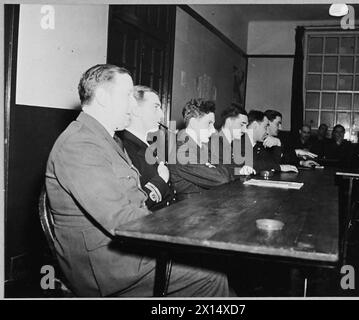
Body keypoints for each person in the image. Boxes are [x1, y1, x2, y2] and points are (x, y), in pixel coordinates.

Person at [45, 64, 229, 297]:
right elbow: (122, 219)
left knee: (207, 262)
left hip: (123, 251)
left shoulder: (104, 139)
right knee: (210, 278)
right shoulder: (80, 144)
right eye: (128, 96)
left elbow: (136, 199)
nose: (133, 105)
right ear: (102, 97)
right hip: (106, 267)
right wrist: (177, 233)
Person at [118, 85, 176, 211]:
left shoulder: (150, 143)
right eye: (156, 107)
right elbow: (132, 206)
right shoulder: (123, 148)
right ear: (136, 110)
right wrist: (161, 179)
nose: (161, 115)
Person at [169, 99, 233, 200]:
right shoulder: (183, 152)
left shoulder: (200, 147)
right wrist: (217, 168)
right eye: (209, 123)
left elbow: (228, 171)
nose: (213, 130)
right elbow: (222, 179)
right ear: (193, 123)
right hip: (191, 211)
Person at [210, 104, 256, 176]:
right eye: (241, 125)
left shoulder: (240, 142)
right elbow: (220, 171)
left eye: (246, 126)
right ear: (229, 122)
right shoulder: (213, 141)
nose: (244, 130)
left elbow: (252, 163)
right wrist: (240, 170)